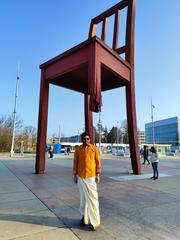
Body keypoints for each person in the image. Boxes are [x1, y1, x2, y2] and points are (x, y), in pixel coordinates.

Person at [73, 132, 101, 231]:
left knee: (93, 199)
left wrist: (98, 174)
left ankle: (95, 222)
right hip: (80, 177)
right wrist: (75, 175)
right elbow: (75, 163)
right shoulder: (78, 150)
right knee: (83, 199)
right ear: (82, 139)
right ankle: (84, 218)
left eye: (88, 138)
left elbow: (98, 162)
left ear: (90, 139)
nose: (86, 140)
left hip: (91, 177)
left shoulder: (94, 149)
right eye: (84, 139)